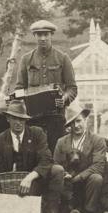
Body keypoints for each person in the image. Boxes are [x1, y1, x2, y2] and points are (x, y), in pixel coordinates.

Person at [0, 100, 67, 213]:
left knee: (57, 170)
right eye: (15, 118)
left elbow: (46, 159)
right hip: (11, 189)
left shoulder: (37, 133)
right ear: (8, 118)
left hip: (36, 182)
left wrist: (29, 178)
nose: (18, 122)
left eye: (22, 119)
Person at [14, 20, 77, 152]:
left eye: (46, 34)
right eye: (39, 34)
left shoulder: (62, 58)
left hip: (56, 117)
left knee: (56, 152)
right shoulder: (26, 59)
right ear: (35, 36)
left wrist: (64, 99)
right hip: (33, 118)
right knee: (34, 153)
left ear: (51, 35)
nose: (43, 38)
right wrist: (22, 101)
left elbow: (72, 88)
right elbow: (19, 88)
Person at [53, 104, 106, 213]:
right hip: (67, 183)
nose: (76, 126)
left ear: (85, 120)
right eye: (72, 123)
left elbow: (98, 166)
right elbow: (56, 163)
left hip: (86, 181)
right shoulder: (61, 142)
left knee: (97, 178)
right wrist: (65, 174)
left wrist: (79, 177)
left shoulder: (97, 140)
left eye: (78, 121)